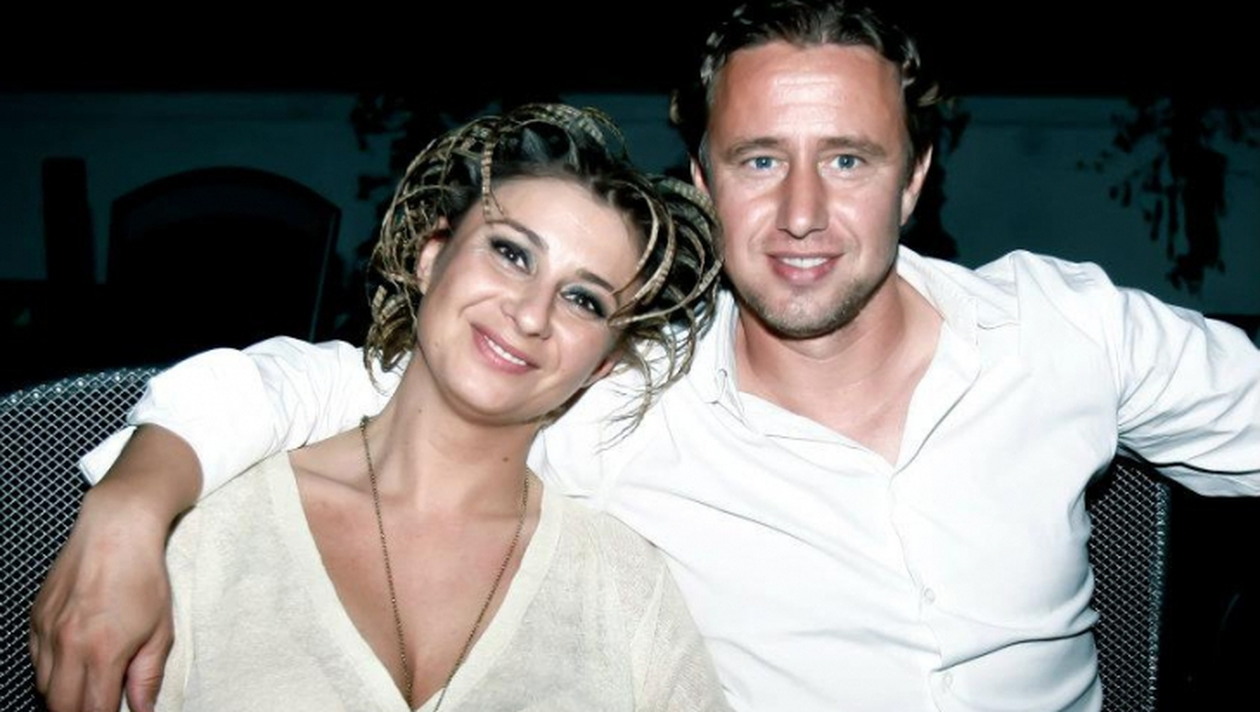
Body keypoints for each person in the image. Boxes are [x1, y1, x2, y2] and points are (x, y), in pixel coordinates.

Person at [31, 1, 1260, 711]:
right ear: (704, 182)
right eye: (759, 160)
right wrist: (137, 498)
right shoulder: (624, 396)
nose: (801, 215)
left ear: (915, 179)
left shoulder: (1067, 331)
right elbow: (365, 382)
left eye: (848, 159)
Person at [52, 103, 732, 711]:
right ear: (432, 256)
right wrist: (131, 501)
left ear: (605, 362)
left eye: (584, 299)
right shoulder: (205, 531)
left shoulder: (624, 587)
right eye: (511, 254)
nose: (531, 314)